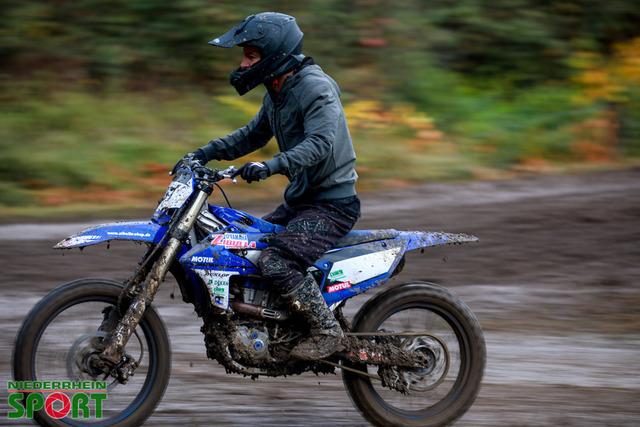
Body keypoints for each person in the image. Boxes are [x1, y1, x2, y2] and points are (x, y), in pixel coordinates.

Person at [174, 12, 360, 360]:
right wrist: (204, 153)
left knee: (274, 259)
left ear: (275, 54)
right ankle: (273, 327)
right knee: (242, 246)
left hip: (331, 206)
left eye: (250, 56)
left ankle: (327, 331)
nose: (243, 64)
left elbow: (320, 143)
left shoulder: (315, 87)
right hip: (300, 203)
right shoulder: (277, 91)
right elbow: (252, 135)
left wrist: (270, 165)